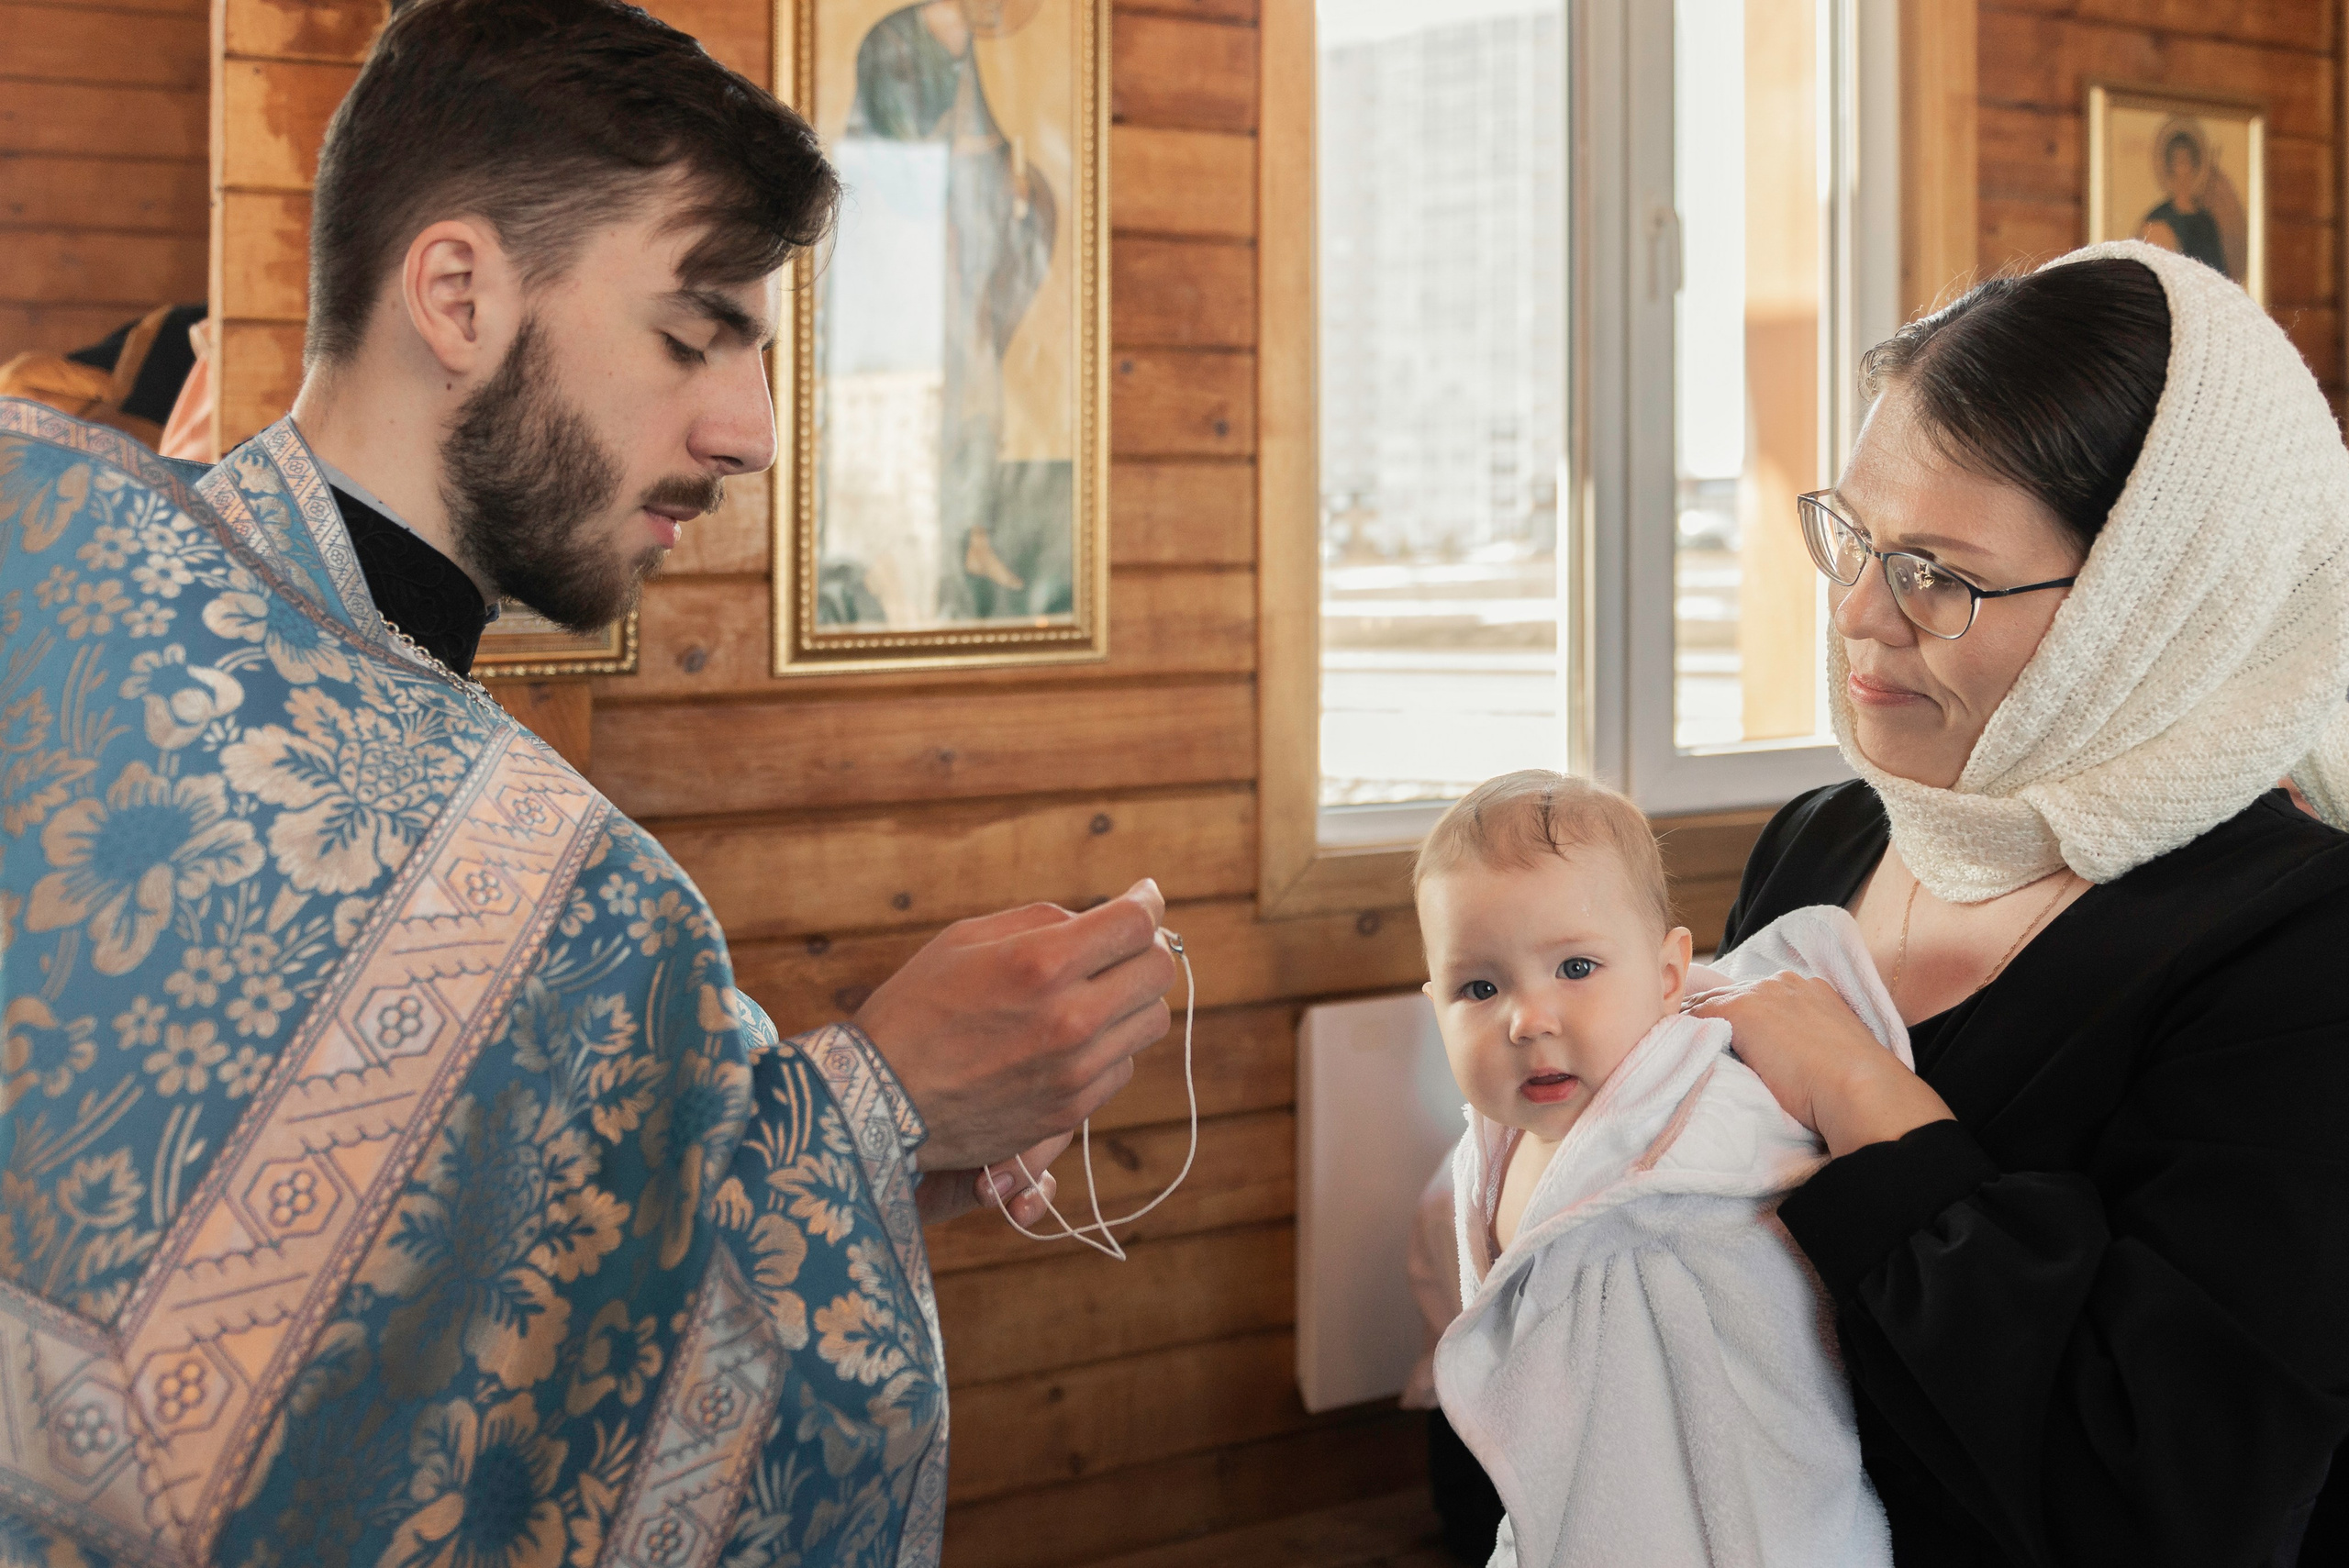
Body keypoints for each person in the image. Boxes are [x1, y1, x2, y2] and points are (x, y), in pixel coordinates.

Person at [0, 3, 1174, 1565]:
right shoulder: (595, 914)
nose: (750, 429)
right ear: (461, 293)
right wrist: (878, 1099)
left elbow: (432, 1318)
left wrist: (886, 1138)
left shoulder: (42, 529)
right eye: (695, 336)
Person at [1694, 241, 2349, 1567]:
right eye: (1857, 539)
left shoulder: (2302, 954)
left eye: (1940, 572)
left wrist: (1872, 1110)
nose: (1865, 619)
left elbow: (2173, 1491)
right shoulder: (1823, 841)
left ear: (2151, 607)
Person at [1419, 770, 1898, 1567]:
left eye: (1576, 968)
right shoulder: (1496, 1148)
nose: (1529, 1019)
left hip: (1746, 1514)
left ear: (1669, 973)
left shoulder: (1712, 1103)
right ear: (1433, 1000)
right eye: (1479, 986)